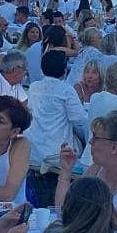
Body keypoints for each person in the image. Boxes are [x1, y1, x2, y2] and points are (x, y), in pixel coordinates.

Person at [25, 49, 90, 204]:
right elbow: (79, 120)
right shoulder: (66, 90)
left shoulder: (34, 87)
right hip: (56, 152)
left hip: (33, 150)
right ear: (64, 69)